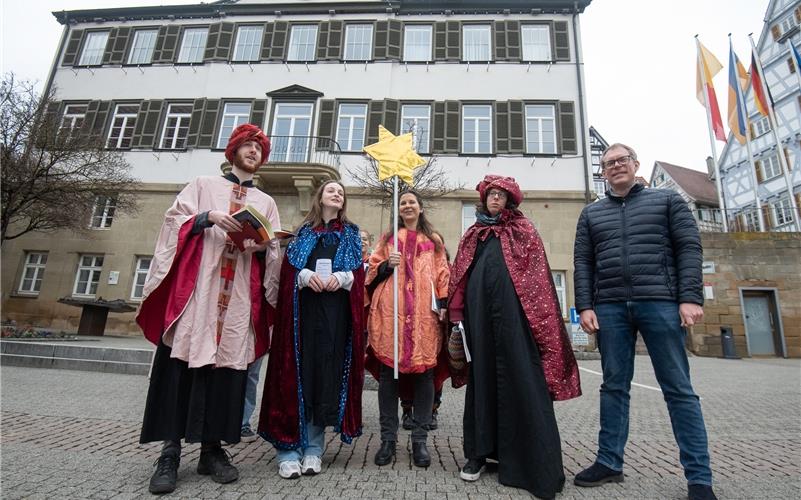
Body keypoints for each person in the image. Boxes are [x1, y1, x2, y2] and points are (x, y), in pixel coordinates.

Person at [136, 123, 281, 494]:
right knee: (180, 368)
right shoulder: (202, 185)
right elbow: (173, 222)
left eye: (259, 149)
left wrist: (264, 247)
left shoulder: (266, 202)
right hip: (198, 295)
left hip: (236, 301)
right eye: (247, 146)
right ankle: (169, 453)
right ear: (233, 151)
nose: (254, 152)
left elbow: (274, 249)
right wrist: (206, 218)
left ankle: (212, 451)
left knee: (226, 373)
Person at [572, 143, 716, 500]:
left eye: (622, 160)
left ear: (635, 165)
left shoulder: (667, 202)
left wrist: (690, 297)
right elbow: (583, 263)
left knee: (678, 390)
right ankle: (609, 463)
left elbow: (689, 248)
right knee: (613, 387)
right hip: (610, 308)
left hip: (661, 303)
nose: (616, 166)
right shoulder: (591, 214)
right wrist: (585, 306)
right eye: (608, 163)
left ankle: (699, 478)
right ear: (602, 171)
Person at [448, 175, 581, 499]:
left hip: (515, 321)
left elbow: (538, 283)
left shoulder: (524, 232)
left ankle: (525, 459)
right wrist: (455, 315)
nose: (495, 199)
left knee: (521, 378)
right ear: (484, 199)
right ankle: (478, 453)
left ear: (510, 200)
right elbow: (461, 277)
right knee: (482, 381)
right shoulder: (473, 235)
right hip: (479, 319)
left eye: (501, 195)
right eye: (491, 194)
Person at [259, 180, 365, 479]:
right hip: (302, 317)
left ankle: (314, 449)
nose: (336, 194)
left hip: (335, 317)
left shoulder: (351, 234)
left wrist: (343, 278)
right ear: (320, 197)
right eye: (331, 190)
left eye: (341, 192)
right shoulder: (304, 233)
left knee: (324, 378)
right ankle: (288, 449)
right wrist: (304, 276)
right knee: (297, 375)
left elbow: (358, 272)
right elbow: (289, 270)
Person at [366, 190, 450, 468]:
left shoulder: (434, 241)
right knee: (389, 379)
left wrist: (445, 303)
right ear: (398, 209)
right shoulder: (389, 240)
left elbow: (442, 274)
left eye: (412, 201)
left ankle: (420, 440)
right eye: (403, 202)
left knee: (425, 378)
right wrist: (385, 268)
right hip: (392, 317)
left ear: (421, 208)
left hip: (424, 318)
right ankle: (388, 440)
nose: (407, 205)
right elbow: (371, 272)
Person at [400, 232, 451, 432]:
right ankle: (407, 410)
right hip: (410, 328)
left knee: (433, 373)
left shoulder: (448, 268)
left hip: (437, 329)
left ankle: (432, 410)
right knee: (407, 371)